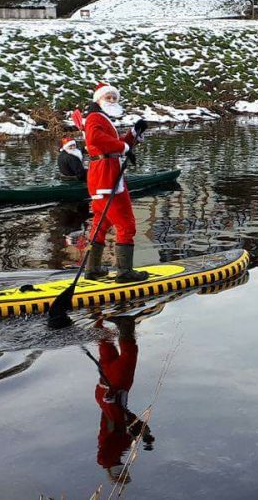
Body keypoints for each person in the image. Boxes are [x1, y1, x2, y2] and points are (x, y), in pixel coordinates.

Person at [84, 82, 148, 282]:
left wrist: (133, 135)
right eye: (108, 97)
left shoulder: (101, 117)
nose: (112, 100)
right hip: (106, 178)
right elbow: (95, 139)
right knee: (126, 224)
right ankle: (124, 272)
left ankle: (93, 269)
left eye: (114, 97)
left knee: (101, 223)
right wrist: (124, 147)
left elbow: (116, 145)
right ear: (99, 99)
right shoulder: (95, 117)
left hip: (103, 177)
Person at [93, 318, 154, 485]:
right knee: (107, 351)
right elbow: (133, 424)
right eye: (124, 471)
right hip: (105, 387)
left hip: (114, 389)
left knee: (129, 354)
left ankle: (125, 324)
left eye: (121, 472)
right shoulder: (122, 445)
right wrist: (146, 436)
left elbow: (103, 457)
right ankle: (97, 322)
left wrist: (143, 434)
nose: (124, 469)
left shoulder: (110, 452)